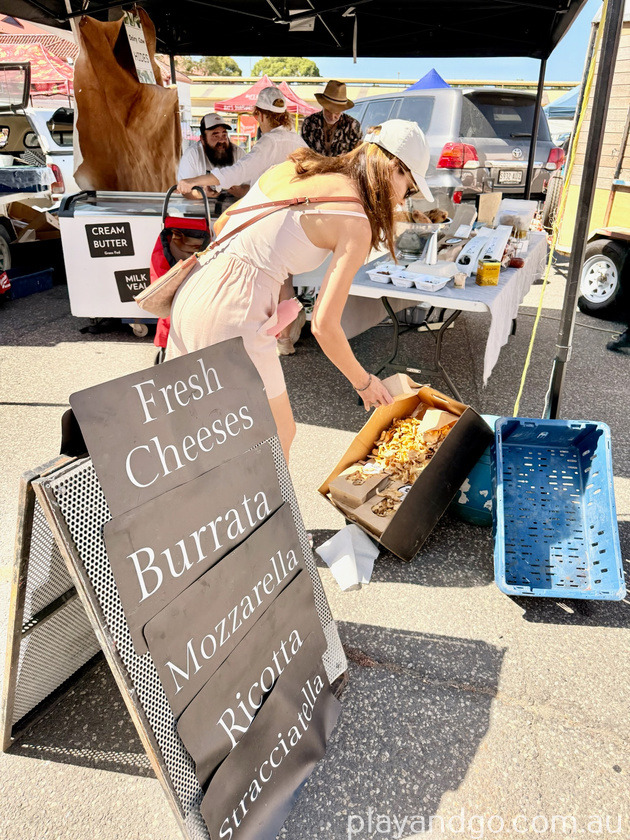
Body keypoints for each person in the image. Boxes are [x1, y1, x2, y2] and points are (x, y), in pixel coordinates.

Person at [167, 119, 433, 462]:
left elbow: (223, 224)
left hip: (195, 289)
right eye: (409, 188)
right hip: (234, 311)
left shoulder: (297, 165)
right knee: (273, 439)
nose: (402, 200)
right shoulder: (356, 221)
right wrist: (365, 383)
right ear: (394, 168)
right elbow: (324, 325)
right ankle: (256, 516)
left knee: (197, 431)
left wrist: (264, 283)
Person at [178, 86, 309, 356]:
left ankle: (255, 335)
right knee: (285, 282)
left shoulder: (268, 142)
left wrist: (194, 181)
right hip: (293, 221)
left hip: (267, 223)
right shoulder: (298, 142)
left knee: (256, 281)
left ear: (260, 115)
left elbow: (238, 172)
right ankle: (284, 338)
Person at [177, 113, 249, 211]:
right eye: (215, 136)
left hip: (231, 215)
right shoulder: (192, 155)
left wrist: (239, 191)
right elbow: (185, 191)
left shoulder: (238, 153)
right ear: (203, 139)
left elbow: (251, 186)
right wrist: (202, 194)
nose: (222, 141)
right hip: (199, 216)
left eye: (224, 135)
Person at [301, 80, 362, 157]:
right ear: (323, 105)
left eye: (337, 112)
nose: (332, 116)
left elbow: (357, 157)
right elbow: (303, 153)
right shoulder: (309, 123)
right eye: (328, 111)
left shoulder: (353, 126)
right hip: (313, 168)